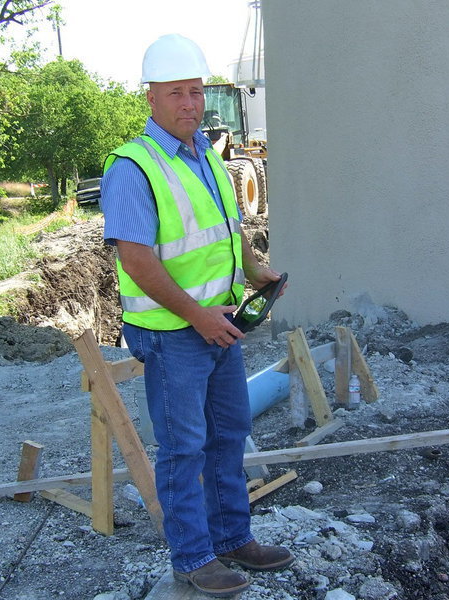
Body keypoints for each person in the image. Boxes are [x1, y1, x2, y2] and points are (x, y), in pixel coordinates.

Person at [100, 33, 294, 598]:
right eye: (176, 93)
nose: (189, 103)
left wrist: (255, 272)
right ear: (151, 99)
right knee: (184, 447)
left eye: (195, 91)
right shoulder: (134, 167)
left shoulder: (206, 153)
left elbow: (225, 236)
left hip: (219, 324)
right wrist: (198, 317)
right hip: (172, 334)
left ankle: (232, 538)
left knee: (230, 433)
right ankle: (192, 557)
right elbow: (136, 260)